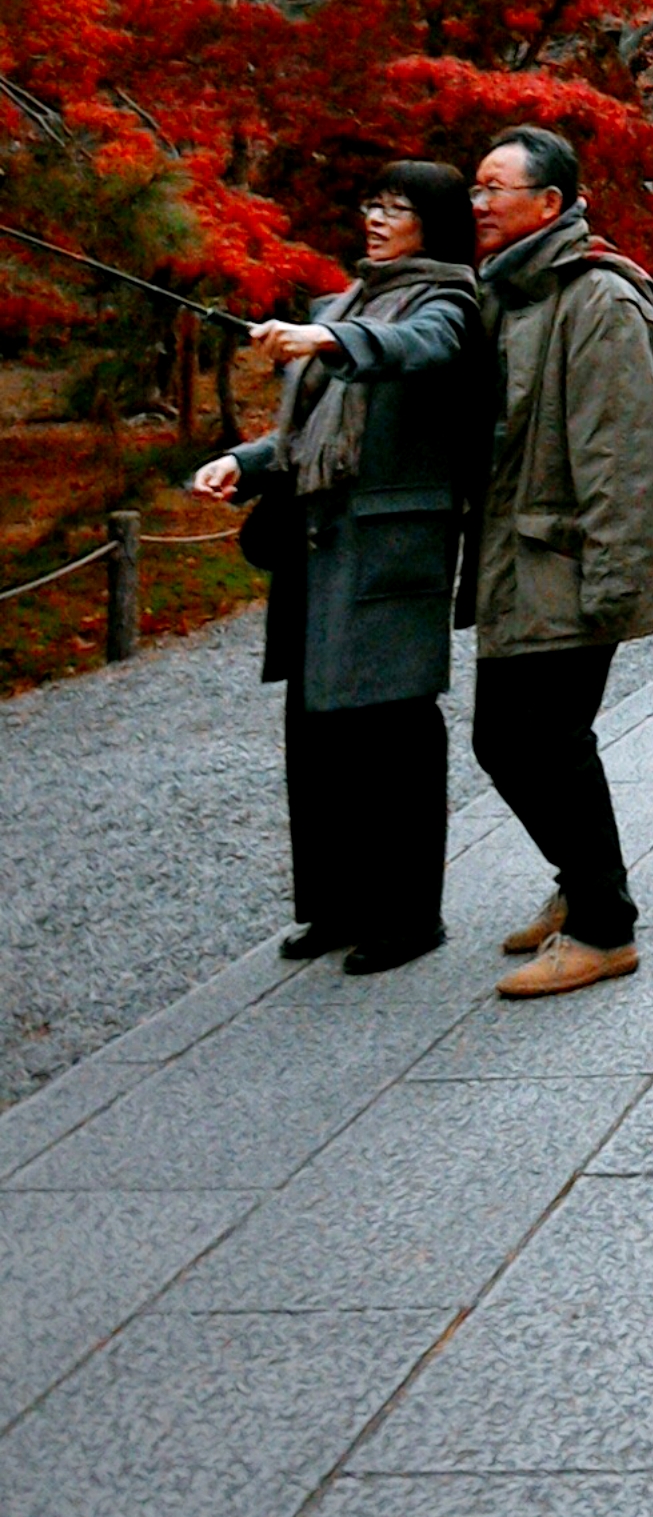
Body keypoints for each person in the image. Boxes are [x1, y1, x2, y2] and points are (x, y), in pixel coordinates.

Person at [192, 162, 483, 974]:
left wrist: (328, 339)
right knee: (317, 732)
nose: (379, 218)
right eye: (373, 203)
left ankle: (407, 915)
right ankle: (334, 905)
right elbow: (306, 430)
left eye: (400, 207)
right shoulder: (342, 303)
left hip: (391, 550)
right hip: (319, 546)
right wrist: (243, 463)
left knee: (391, 733)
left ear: (437, 221)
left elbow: (416, 350)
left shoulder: (452, 301)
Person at [465, 125, 653, 1000]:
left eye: (492, 189)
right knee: (512, 741)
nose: (475, 205)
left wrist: (615, 585)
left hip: (570, 562)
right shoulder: (511, 293)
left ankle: (603, 926)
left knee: (539, 743)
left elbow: (626, 459)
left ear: (547, 205)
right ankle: (577, 885)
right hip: (523, 558)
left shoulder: (596, 301)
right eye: (473, 189)